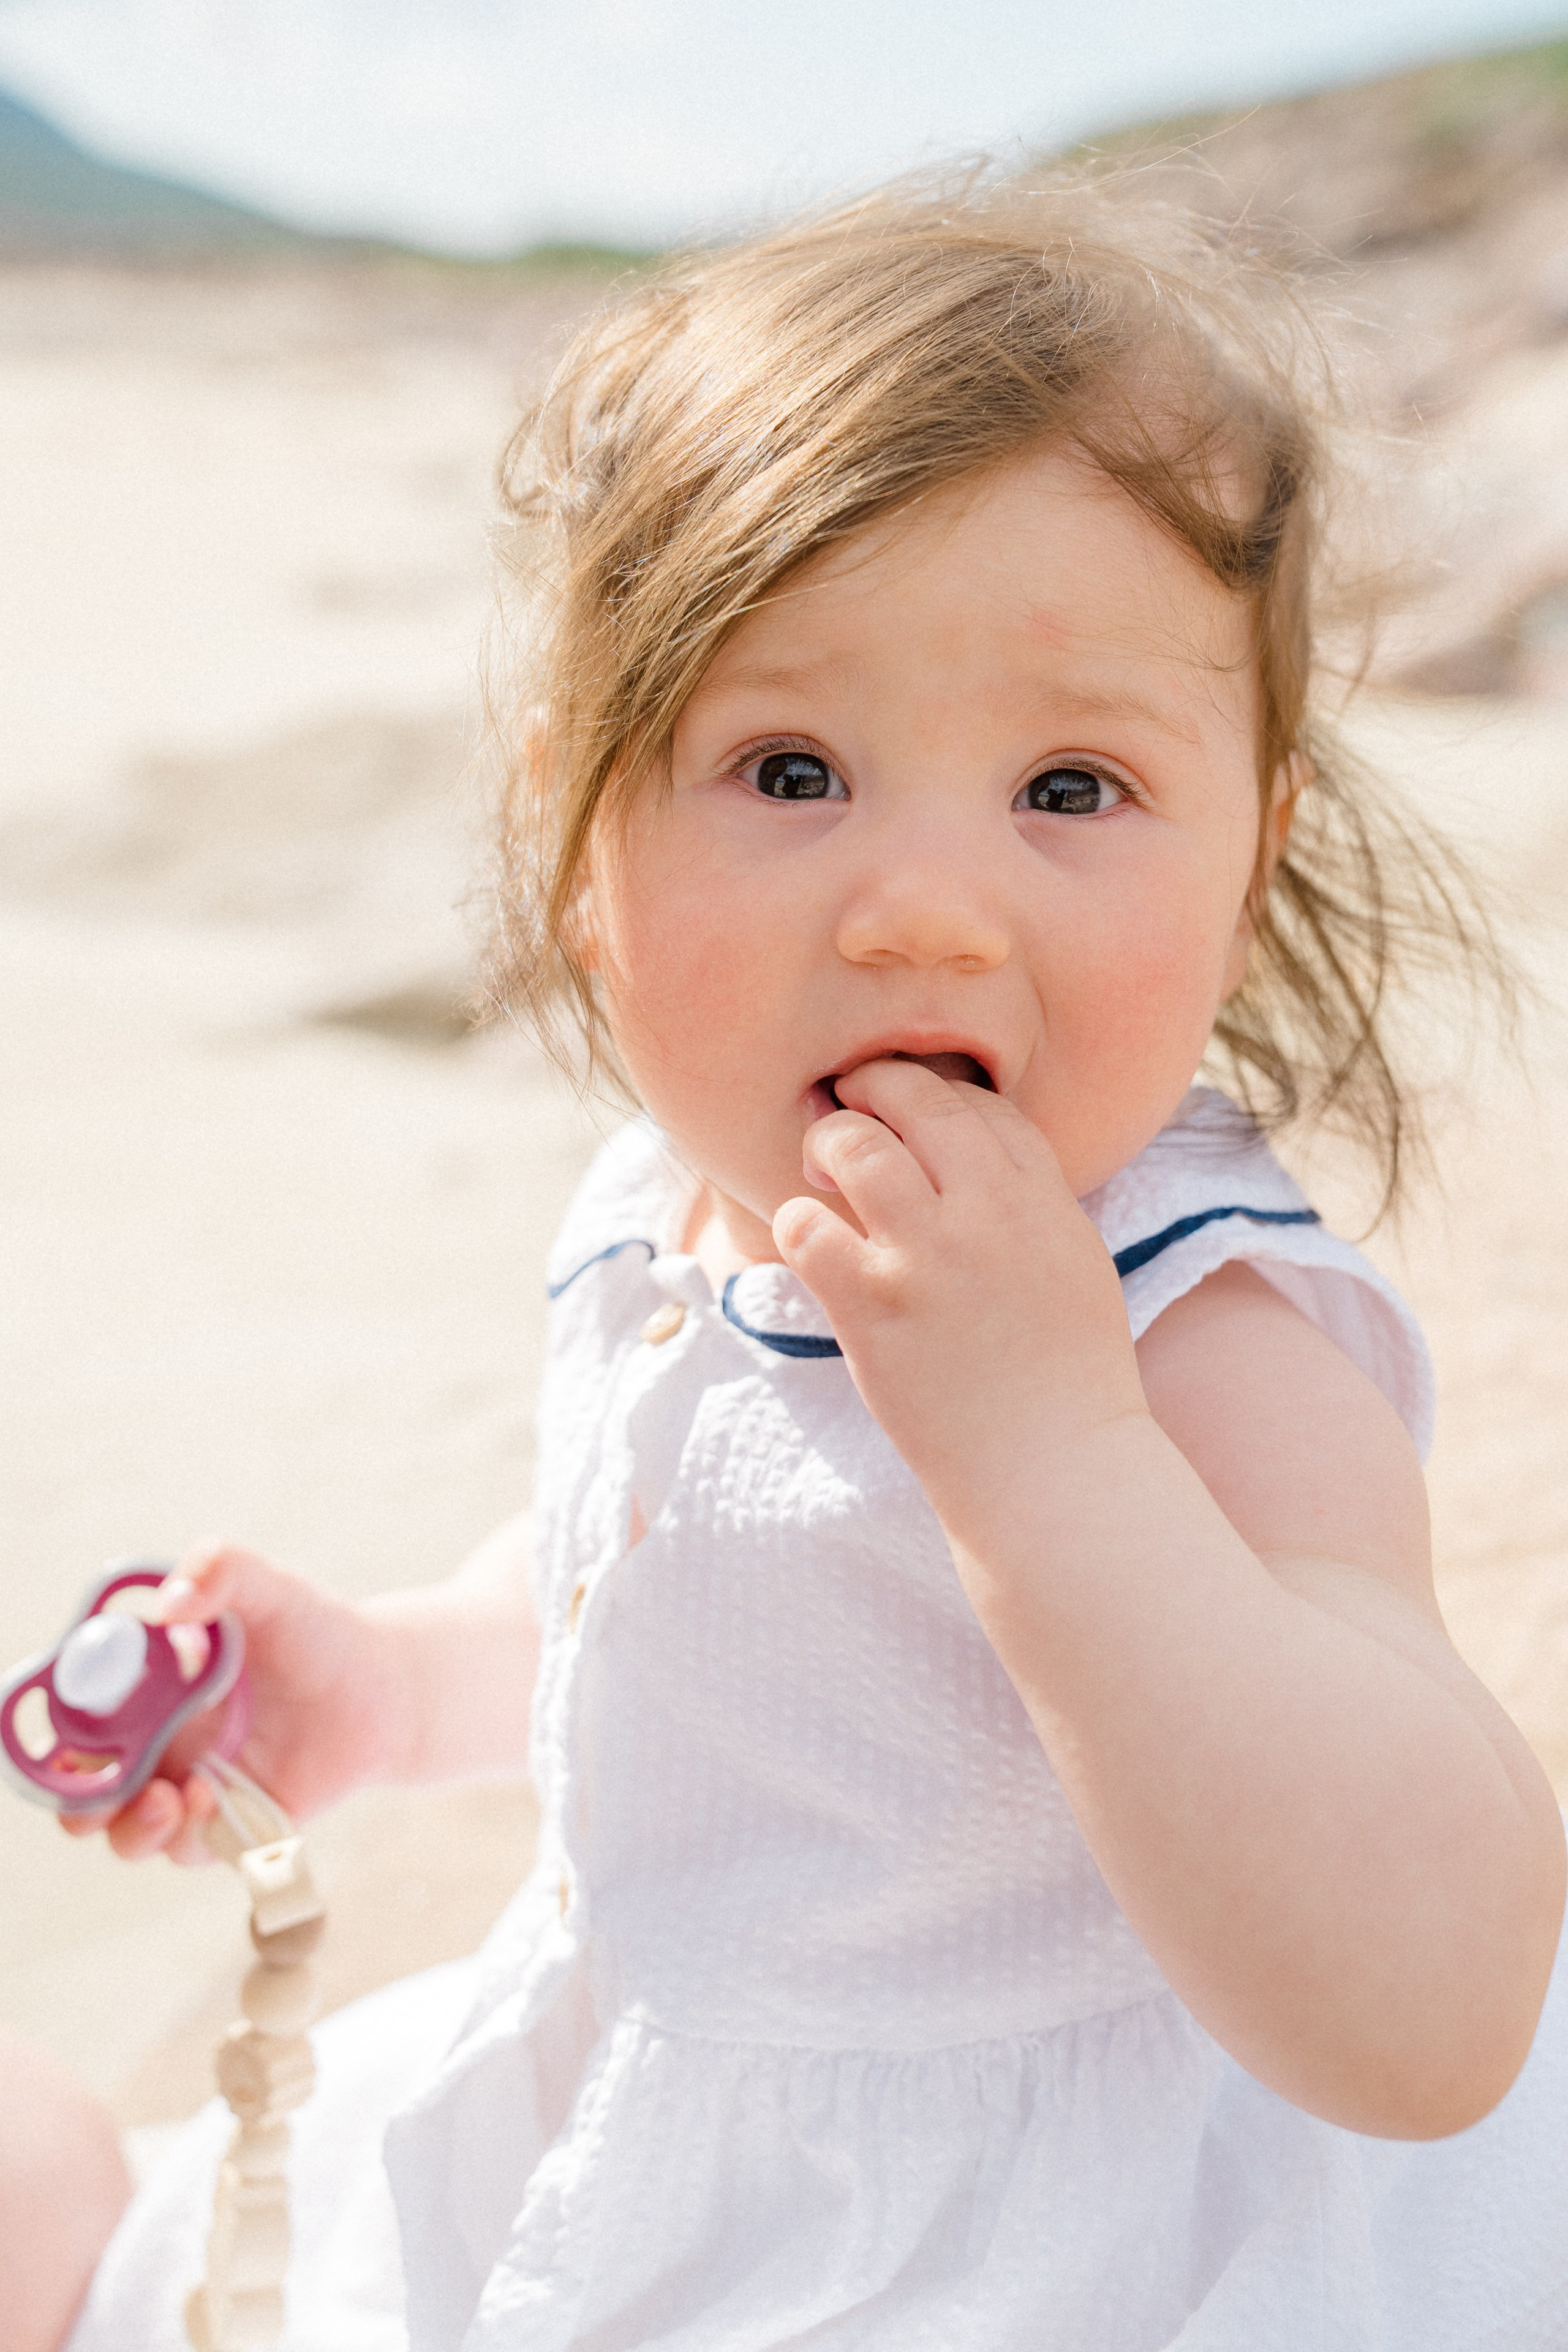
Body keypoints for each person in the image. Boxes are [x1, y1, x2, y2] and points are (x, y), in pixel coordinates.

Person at [14, 169, 1568, 2351]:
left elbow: (1435, 2004)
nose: (925, 904)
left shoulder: (1201, 1336)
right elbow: (660, 1583)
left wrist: (1053, 1461)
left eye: (1074, 787)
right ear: (583, 841)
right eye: (793, 766)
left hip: (1024, 2244)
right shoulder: (668, 1198)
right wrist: (392, 1677)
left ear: (1254, 848)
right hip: (661, 2108)